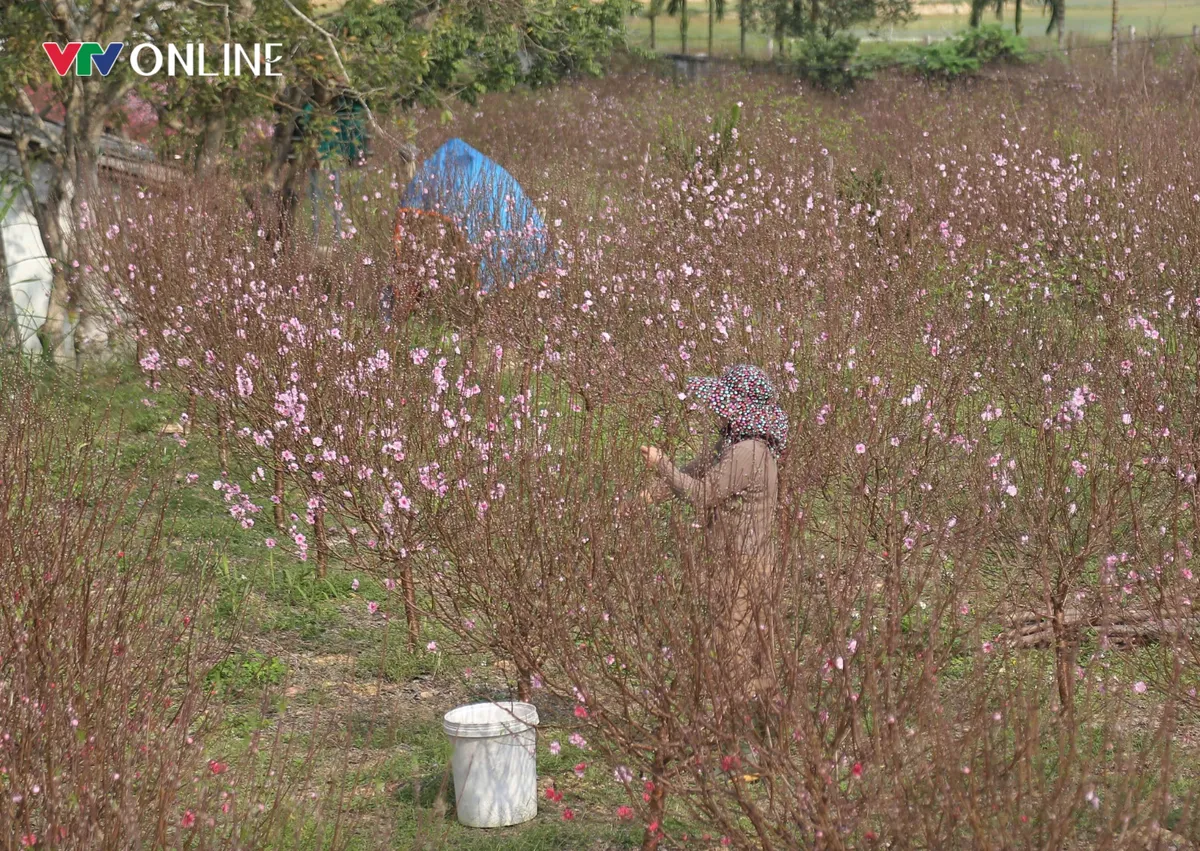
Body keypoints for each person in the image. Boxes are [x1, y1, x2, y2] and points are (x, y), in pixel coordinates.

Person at [640, 364, 787, 703]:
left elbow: (703, 494)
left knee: (734, 646)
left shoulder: (748, 452)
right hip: (745, 559)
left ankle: (736, 729)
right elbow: (696, 469)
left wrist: (662, 463)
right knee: (749, 644)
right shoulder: (733, 444)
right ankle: (757, 725)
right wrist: (648, 497)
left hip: (743, 564)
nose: (716, 411)